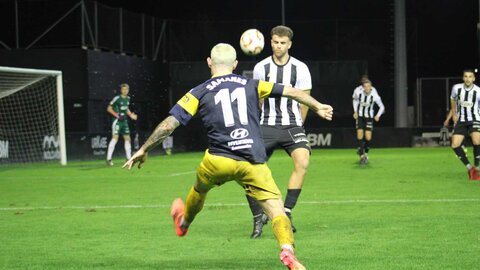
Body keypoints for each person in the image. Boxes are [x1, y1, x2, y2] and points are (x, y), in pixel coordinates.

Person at [123, 43, 333, 269]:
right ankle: (287, 250)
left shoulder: (198, 91)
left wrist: (144, 149)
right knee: (276, 210)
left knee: (199, 190)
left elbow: (168, 126)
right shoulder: (253, 84)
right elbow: (292, 91)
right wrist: (317, 106)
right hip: (252, 161)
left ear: (209, 63)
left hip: (217, 161)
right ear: (235, 65)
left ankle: (184, 222)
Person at [246, 25, 314, 239]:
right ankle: (258, 215)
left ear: (289, 44)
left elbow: (305, 100)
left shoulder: (300, 68)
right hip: (266, 125)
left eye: (283, 43)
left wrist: (300, 125)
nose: (278, 46)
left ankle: (286, 211)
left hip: (292, 126)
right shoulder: (261, 68)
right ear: (270, 42)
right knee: (248, 170)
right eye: (275, 42)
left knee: (302, 161)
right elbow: (258, 100)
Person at [449, 69, 480, 181]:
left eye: (470, 76)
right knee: (455, 144)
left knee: (477, 141)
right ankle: (469, 167)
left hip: (475, 119)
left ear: (474, 78)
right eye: (466, 76)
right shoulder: (456, 88)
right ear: (463, 78)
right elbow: (452, 99)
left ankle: (477, 167)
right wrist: (454, 113)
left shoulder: (478, 91)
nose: (468, 79)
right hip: (461, 120)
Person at [352, 79, 385, 165]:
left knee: (368, 138)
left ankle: (365, 152)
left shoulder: (375, 96)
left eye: (368, 86)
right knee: (359, 134)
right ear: (363, 87)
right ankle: (362, 155)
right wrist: (355, 111)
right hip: (360, 116)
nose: (366, 88)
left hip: (369, 117)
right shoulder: (359, 93)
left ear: (371, 87)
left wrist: (378, 115)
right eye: (365, 86)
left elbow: (382, 107)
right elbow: (355, 101)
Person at [106, 83, 138, 166]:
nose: (125, 91)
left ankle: (128, 158)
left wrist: (131, 115)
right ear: (121, 90)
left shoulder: (128, 98)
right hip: (117, 121)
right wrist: (116, 115)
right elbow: (109, 108)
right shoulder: (117, 98)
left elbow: (126, 108)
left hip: (124, 121)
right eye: (123, 89)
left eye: (127, 89)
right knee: (115, 138)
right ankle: (109, 159)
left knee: (128, 138)